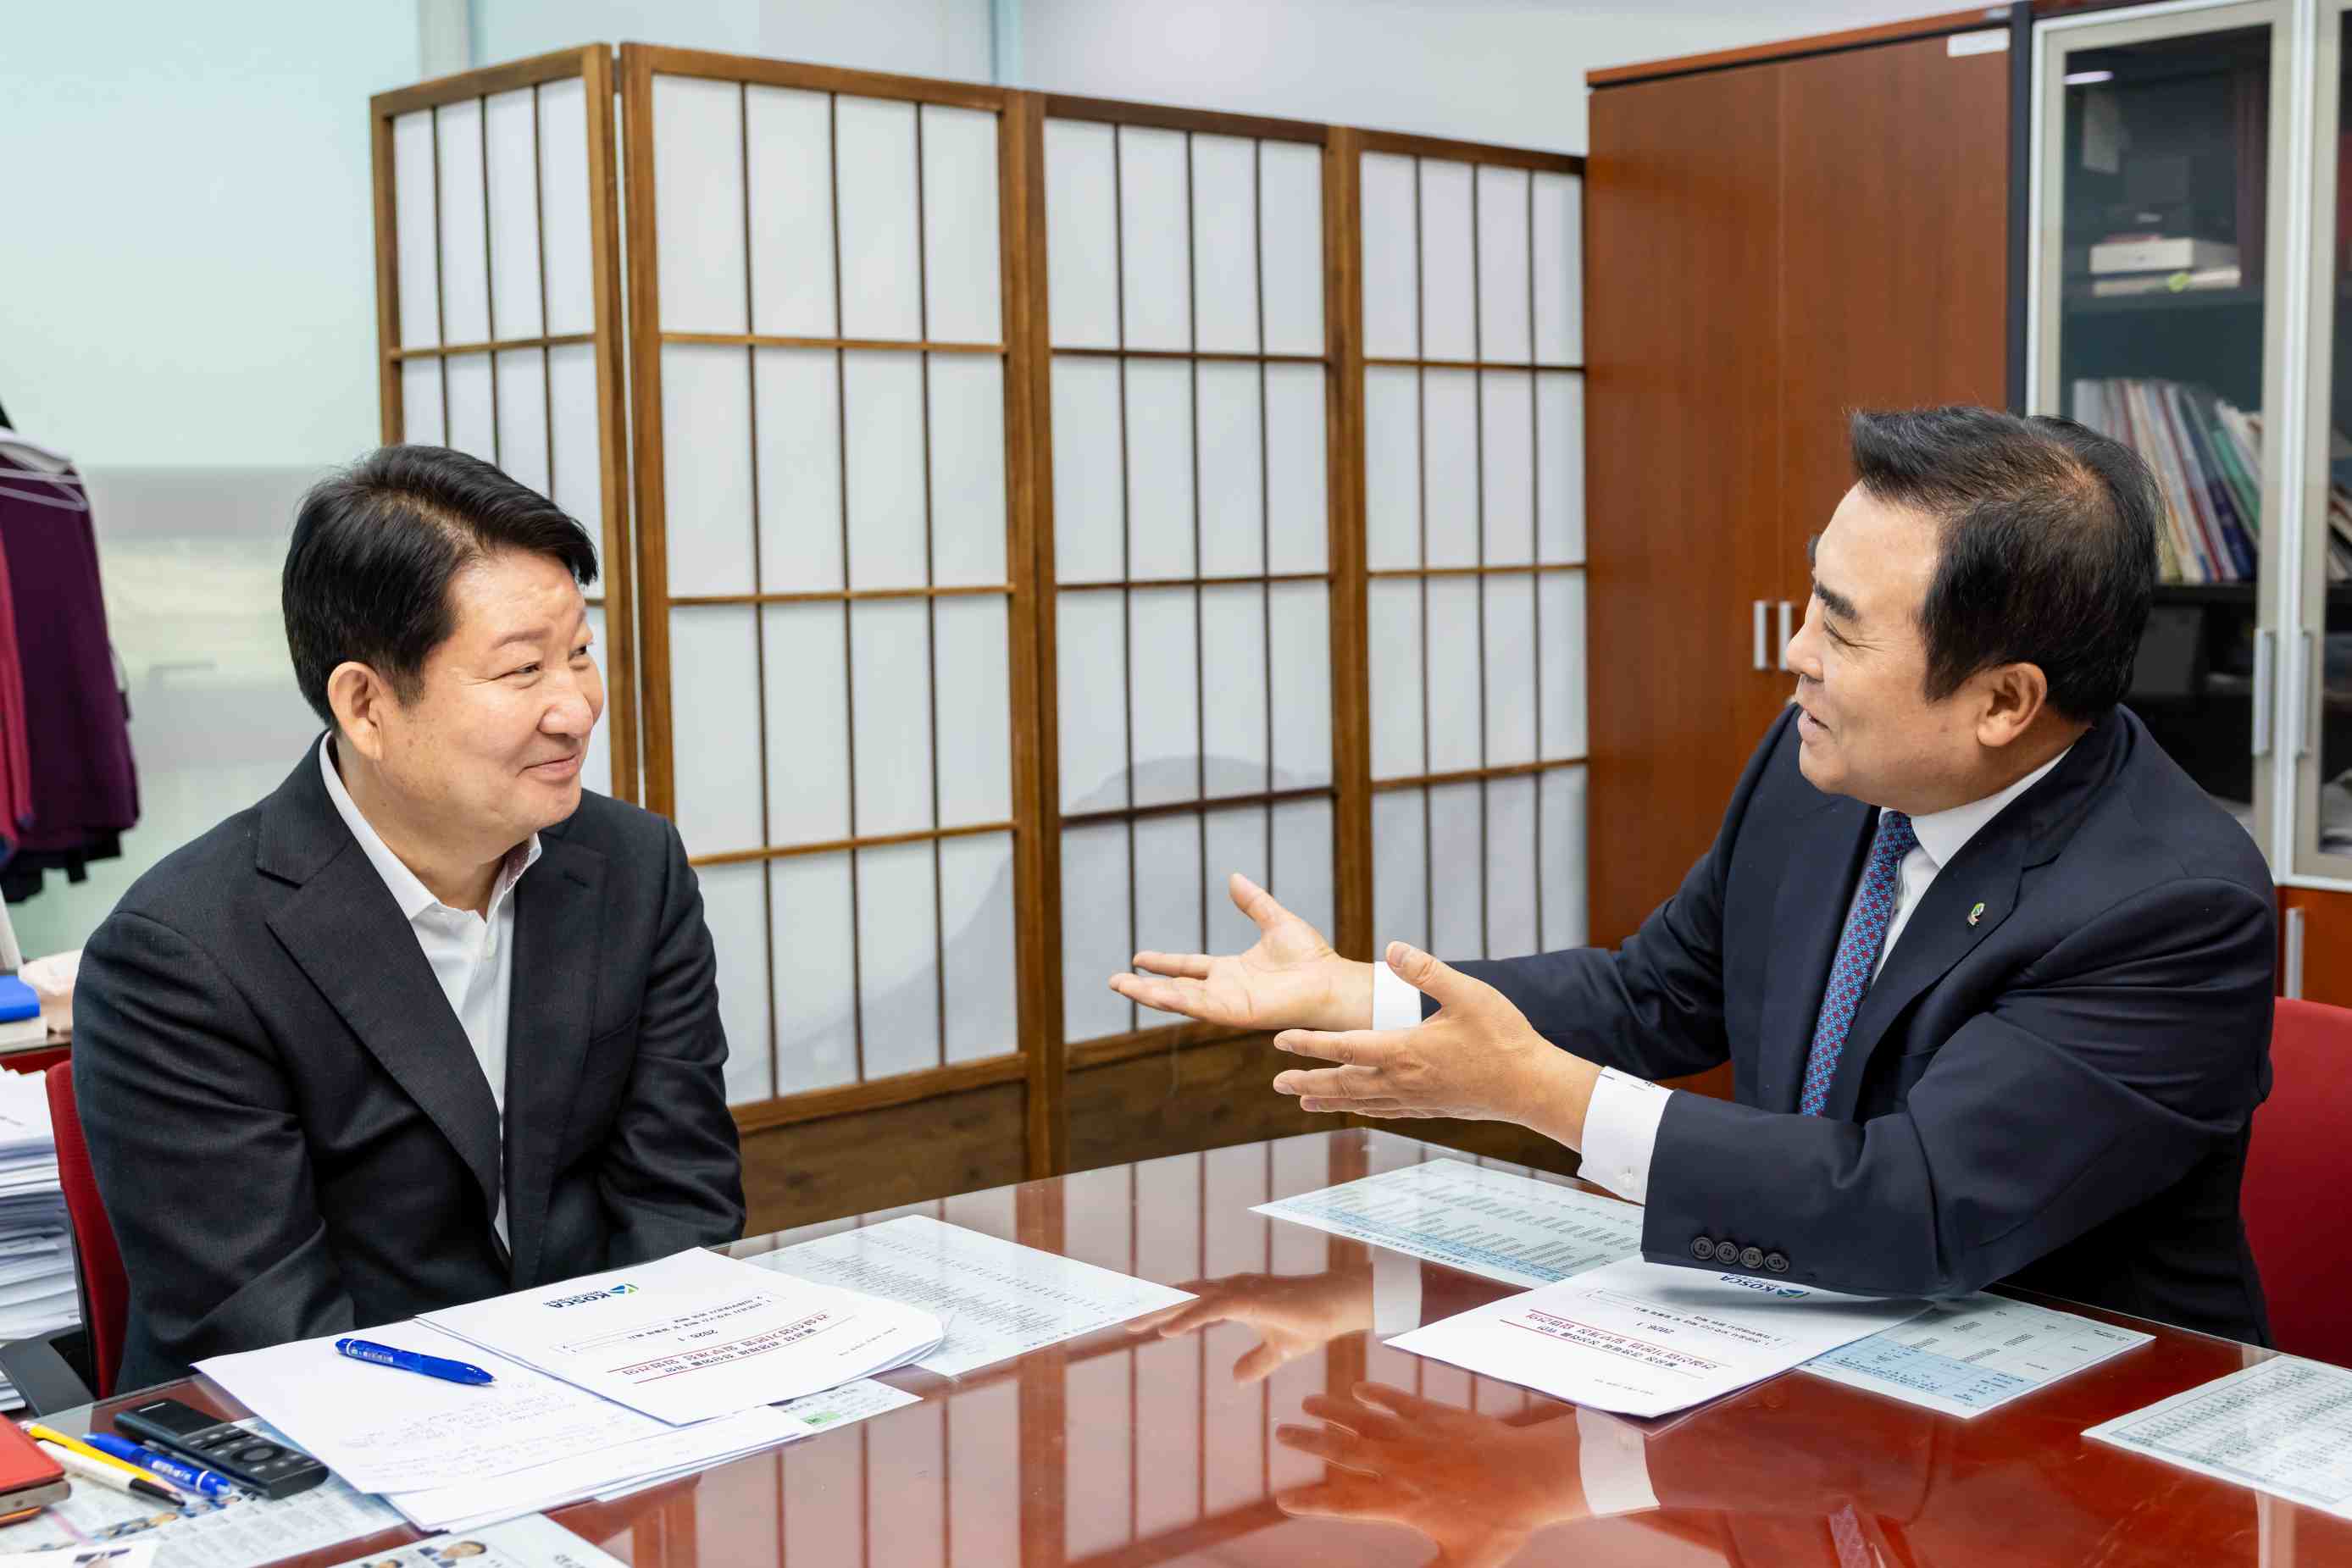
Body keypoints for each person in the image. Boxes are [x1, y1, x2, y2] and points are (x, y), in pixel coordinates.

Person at [1112, 407, 2274, 1342]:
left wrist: (1541, 1093)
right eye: (1810, 597)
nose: (1795, 654)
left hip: (2084, 1428)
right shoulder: (1820, 766)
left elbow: (1912, 1201)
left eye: (1842, 629)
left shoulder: (2171, 907)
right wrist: (1360, 992)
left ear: (2005, 700)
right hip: (1821, 1355)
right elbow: (1657, 991)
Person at [77, 446, 745, 1388]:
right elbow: (269, 1334)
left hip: (619, 1401)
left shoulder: (636, 868)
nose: (576, 709)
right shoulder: (183, 955)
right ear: (366, 705)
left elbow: (681, 1204)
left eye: (580, 653)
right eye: (523, 669)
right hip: (329, 1430)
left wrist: (654, 1390)